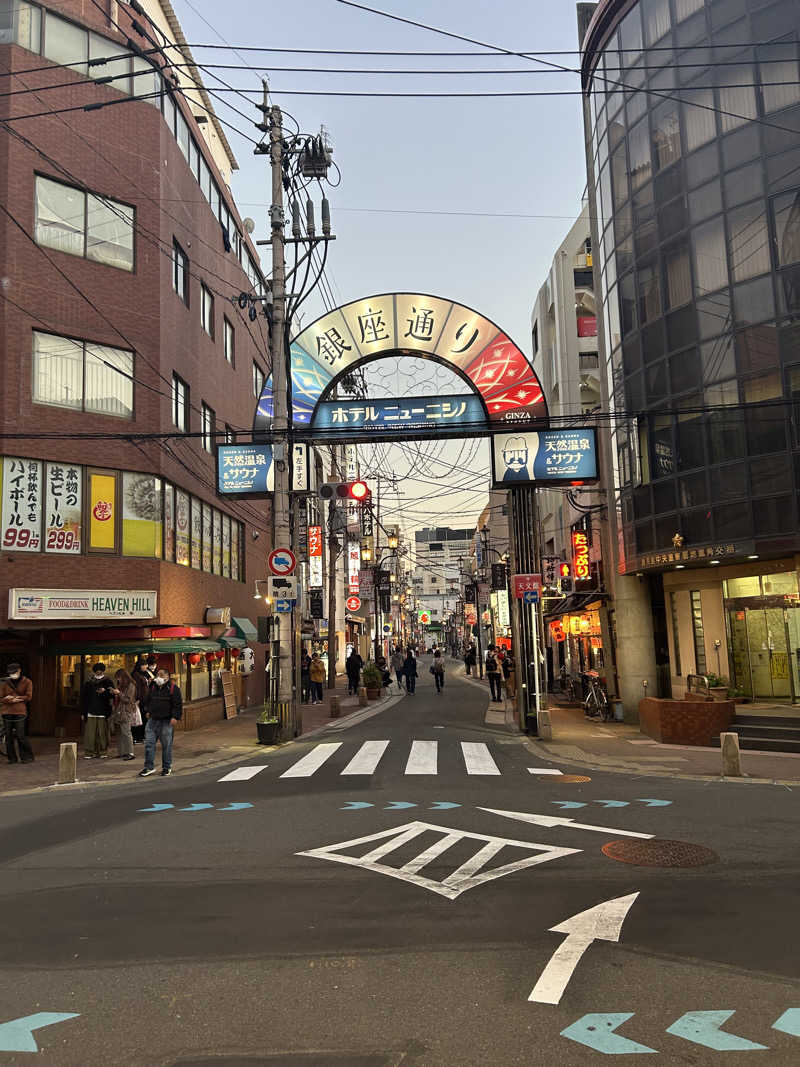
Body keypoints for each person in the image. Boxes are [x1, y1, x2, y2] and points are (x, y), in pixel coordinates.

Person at [139, 667, 182, 777]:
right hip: (153, 720)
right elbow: (147, 700)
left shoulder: (173, 689)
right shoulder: (153, 687)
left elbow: (177, 704)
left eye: (162, 675)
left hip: (166, 721)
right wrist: (147, 710)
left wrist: (175, 717)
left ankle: (166, 767)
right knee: (149, 744)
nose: (159, 677)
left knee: (166, 746)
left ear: (167, 677)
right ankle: (149, 767)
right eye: (158, 675)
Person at [1, 662, 34, 764]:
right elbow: (1, 697)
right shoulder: (5, 682)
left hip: (20, 711)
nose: (12, 674)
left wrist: (17, 698)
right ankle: (12, 758)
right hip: (7, 711)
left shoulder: (27, 681)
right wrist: (10, 700)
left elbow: (29, 696)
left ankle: (26, 756)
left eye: (14, 672)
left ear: (19, 670)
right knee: (8, 736)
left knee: (20, 735)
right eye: (11, 673)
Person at [81, 663, 115, 758]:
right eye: (97, 671)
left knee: (102, 733)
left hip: (103, 711)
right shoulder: (88, 682)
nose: (99, 672)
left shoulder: (108, 681)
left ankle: (102, 751)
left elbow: (113, 695)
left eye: (100, 671)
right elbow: (84, 698)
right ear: (94, 671)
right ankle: (89, 752)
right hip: (90, 710)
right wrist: (83, 712)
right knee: (90, 734)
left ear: (103, 671)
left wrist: (105, 692)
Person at [111, 668, 138, 761]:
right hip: (118, 711)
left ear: (123, 677)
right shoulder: (121, 685)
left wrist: (119, 693)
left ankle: (130, 752)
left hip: (125, 711)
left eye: (119, 678)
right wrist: (115, 693)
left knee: (126, 732)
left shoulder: (131, 685)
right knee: (119, 732)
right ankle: (121, 752)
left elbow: (128, 700)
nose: (118, 680)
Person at [131, 656, 152, 744]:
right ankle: (137, 737)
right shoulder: (136, 674)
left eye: (146, 665)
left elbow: (145, 686)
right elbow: (137, 688)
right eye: (144, 665)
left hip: (145, 700)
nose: (146, 667)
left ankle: (142, 736)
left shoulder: (144, 674)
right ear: (139, 665)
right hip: (139, 700)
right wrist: (138, 698)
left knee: (143, 718)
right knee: (138, 719)